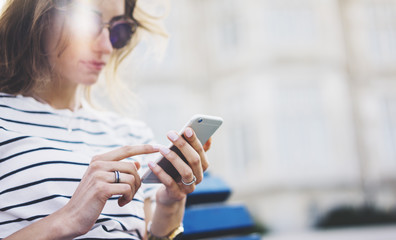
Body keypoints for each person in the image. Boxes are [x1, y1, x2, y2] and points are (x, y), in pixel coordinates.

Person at [0, 0, 211, 239]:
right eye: (89, 23)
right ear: (40, 17)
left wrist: (170, 205)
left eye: (118, 30)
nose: (107, 47)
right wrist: (67, 219)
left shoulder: (131, 134)